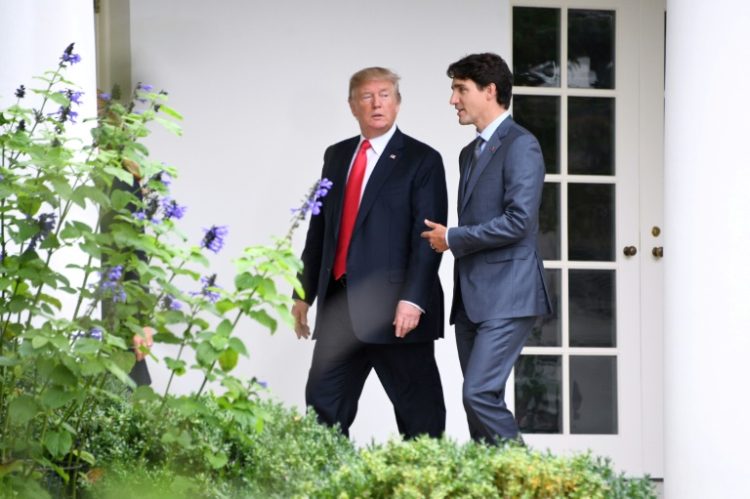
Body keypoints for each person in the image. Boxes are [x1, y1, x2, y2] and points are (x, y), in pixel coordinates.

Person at [292, 67, 448, 438]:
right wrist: (303, 293)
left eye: (385, 95)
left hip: (398, 311)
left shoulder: (422, 160)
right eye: (367, 96)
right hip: (339, 305)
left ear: (397, 103)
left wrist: (413, 299)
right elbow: (320, 229)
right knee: (322, 409)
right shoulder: (336, 155)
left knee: (419, 416)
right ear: (352, 106)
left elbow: (428, 236)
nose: (376, 103)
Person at [421, 53, 552, 443]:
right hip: (472, 300)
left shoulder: (521, 145)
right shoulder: (469, 153)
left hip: (509, 294)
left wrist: (453, 238)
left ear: (490, 90)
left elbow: (519, 221)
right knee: (480, 400)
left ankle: (528, 482)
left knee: (477, 393)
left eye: (460, 89)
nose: (453, 100)